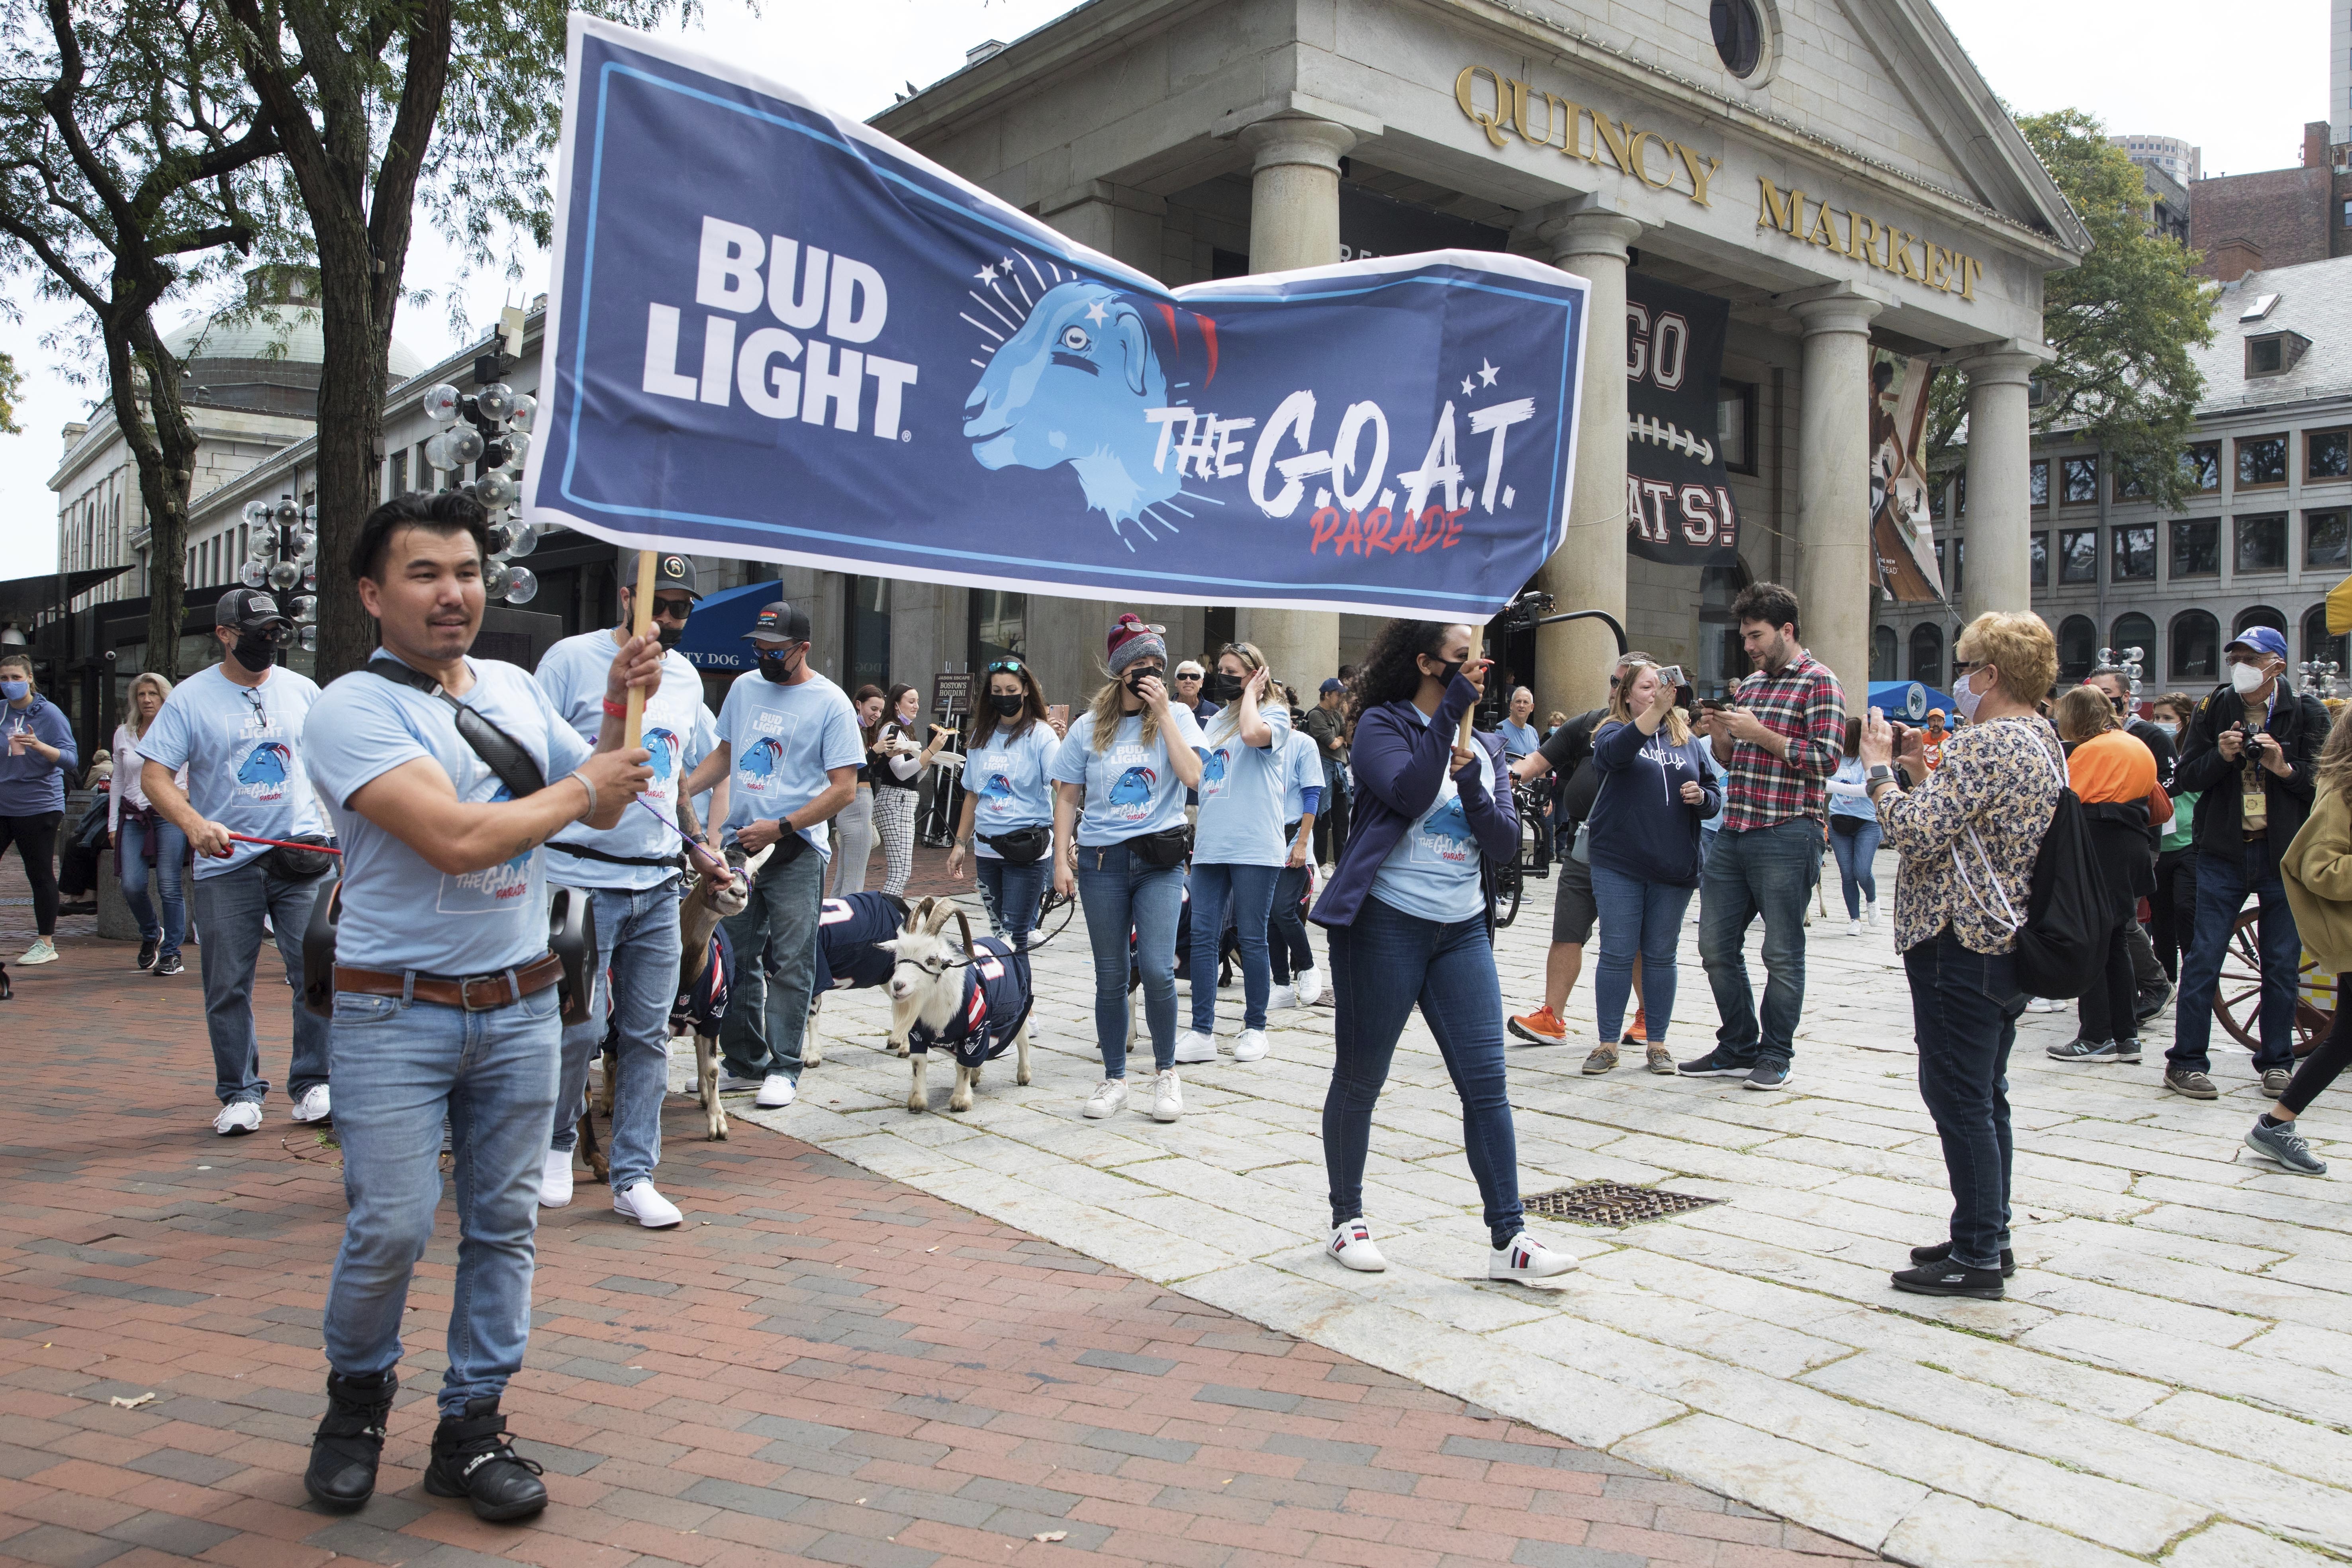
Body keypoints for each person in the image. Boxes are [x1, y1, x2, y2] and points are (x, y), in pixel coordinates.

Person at [296, 490, 658, 1521]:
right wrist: (587, 787)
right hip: (391, 1013)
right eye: (424, 574)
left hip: (520, 1008)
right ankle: (355, 1404)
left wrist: (616, 718)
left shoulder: (506, 683)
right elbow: (456, 837)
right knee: (393, 1227)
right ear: (373, 593)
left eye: (465, 571)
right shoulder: (352, 711)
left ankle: (471, 1426)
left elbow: (603, 785)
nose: (452, 593)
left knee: (503, 1227)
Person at [1312, 619, 1571, 1282]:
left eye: (1478, 659)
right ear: (1426, 664)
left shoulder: (1484, 744)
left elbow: (1504, 843)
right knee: (1361, 1074)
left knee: (1488, 1085)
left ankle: (1508, 1239)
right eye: (1463, 661)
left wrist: (1477, 776)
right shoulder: (1380, 726)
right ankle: (1347, 1219)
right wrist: (1450, 715)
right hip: (1386, 924)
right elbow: (1408, 793)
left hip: (1461, 931)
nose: (1479, 669)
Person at [1864, 611, 2064, 1300]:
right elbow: (1963, 825)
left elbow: (1917, 834)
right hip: (2004, 938)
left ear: (1991, 674)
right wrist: (1924, 775)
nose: (1959, 680)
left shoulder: (1990, 743)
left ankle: (1978, 1254)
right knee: (1985, 1095)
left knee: (1958, 1099)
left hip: (1960, 938)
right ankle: (1988, 1230)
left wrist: (1882, 775)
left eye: (1967, 665)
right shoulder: (2041, 736)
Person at [535, 550, 718, 1227]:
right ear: (627, 598)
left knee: (647, 1034)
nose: (669, 620)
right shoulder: (569, 661)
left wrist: (700, 849)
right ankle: (556, 1141)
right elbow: (531, 756)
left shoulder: (689, 679)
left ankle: (636, 1174)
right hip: (578, 875)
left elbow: (677, 781)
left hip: (657, 882)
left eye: (681, 610)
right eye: (659, 605)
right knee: (578, 1024)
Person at [141, 592, 332, 1133]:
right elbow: (155, 776)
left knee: (316, 975)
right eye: (257, 630)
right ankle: (240, 1092)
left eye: (275, 629)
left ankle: (314, 1083)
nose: (269, 639)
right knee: (227, 984)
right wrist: (194, 825)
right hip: (228, 863)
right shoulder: (191, 698)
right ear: (225, 633)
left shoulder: (303, 691)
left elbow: (333, 761)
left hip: (302, 857)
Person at [682, 603, 862, 1112]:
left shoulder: (830, 702)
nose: (763, 656)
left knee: (790, 959)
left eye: (775, 650)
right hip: (742, 842)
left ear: (802, 648)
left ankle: (785, 1066)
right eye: (758, 647)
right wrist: (678, 791)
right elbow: (725, 753)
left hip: (796, 847)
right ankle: (745, 1061)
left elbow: (844, 789)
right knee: (735, 956)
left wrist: (782, 826)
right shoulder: (743, 689)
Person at [1685, 582, 1844, 1091]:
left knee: (1780, 951)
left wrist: (1761, 735)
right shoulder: (1750, 686)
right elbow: (1734, 759)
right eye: (1745, 636)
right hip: (1735, 829)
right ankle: (1737, 1044)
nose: (1749, 646)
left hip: (1788, 831)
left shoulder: (1821, 683)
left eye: (1756, 636)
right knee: (1714, 945)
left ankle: (1776, 1053)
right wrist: (1721, 734)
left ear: (1787, 630)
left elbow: (1826, 760)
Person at [1050, 614, 1205, 1122]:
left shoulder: (1178, 717)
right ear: (1120, 671)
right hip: (1101, 862)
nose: (1152, 674)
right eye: (1141, 665)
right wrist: (1059, 859)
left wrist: (1165, 714)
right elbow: (1068, 796)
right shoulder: (1088, 726)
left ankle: (1166, 1074)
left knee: (1159, 969)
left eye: (1157, 666)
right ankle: (1114, 1077)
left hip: (1158, 861)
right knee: (1111, 974)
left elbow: (1193, 777)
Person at [2166, 626, 2328, 1101]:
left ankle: (2277, 1062)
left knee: (2281, 963)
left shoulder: (2307, 712)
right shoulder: (2214, 708)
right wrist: (2220, 755)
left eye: (2250, 657)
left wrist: (2284, 768)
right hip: (2222, 851)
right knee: (2203, 957)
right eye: (2235, 656)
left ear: (2276, 664)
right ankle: (2186, 1061)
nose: (2239, 665)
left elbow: (2325, 786)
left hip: (2283, 854)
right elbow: (2185, 777)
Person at [1581, 659, 1719, 1076]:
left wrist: (1703, 797)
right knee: (1618, 951)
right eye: (1645, 687)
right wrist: (1654, 712)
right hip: (1619, 862)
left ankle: (1656, 1042)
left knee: (1661, 955)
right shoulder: (1610, 729)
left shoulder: (1688, 739)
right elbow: (1612, 757)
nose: (1655, 692)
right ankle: (1607, 1043)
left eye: (1661, 687)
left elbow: (1713, 792)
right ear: (1626, 694)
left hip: (1673, 864)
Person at [1506, 654, 1643, 1046]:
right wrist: (1505, 778)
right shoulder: (1590, 723)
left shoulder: (1663, 732)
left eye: (1625, 683)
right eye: (1614, 681)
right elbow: (1538, 758)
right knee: (1566, 930)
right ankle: (1551, 1016)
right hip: (1586, 846)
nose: (1616, 689)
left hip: (1635, 852)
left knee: (1634, 938)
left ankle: (1648, 1015)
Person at [1178, 643, 1293, 1067]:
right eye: (1220, 670)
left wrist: (1252, 696)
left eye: (1233, 671)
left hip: (1254, 845)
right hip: (1211, 844)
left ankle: (1255, 1027)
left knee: (1252, 936)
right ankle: (1201, 1030)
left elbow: (1251, 735)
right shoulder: (1212, 722)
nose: (1223, 676)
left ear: (1256, 675)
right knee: (1203, 938)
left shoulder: (1274, 714)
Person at [2043, 687, 2168, 1068]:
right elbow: (2159, 804)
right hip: (2132, 844)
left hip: (2099, 846)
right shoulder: (2134, 744)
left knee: (2092, 942)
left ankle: (2095, 1035)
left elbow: (2063, 802)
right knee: (2115, 941)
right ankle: (2126, 1035)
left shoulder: (2090, 750)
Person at [2262, 714, 2352, 1176]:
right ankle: (2276, 1125)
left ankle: (2276, 1125)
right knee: (2344, 1039)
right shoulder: (2339, 791)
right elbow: (2319, 868)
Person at [948, 656, 1059, 948]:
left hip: (1027, 850)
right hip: (986, 852)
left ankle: (1019, 995)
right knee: (1001, 937)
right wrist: (960, 843)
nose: (1004, 697)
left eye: (1011, 690)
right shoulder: (980, 736)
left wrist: (1066, 843)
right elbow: (972, 794)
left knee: (1015, 937)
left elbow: (1063, 789)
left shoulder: (1042, 735)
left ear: (1025, 690)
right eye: (997, 692)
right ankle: (1010, 992)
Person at [2086, 664, 2176, 1019]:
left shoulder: (2150, 736)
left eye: (2106, 698)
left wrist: (2130, 796)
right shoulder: (2091, 739)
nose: (2100, 705)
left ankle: (2155, 983)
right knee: (2108, 917)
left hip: (2138, 837)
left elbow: (2173, 783)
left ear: (2125, 698)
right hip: (2099, 839)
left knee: (2122, 918)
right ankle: (2116, 989)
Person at [0, 652, 77, 967]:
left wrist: (40, 746)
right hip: (4, 804)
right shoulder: (2, 712)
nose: (10, 684)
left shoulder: (49, 714)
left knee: (40, 873)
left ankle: (46, 942)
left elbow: (72, 760)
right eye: (4, 678)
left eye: (17, 677)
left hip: (39, 806)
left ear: (31, 678)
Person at [110, 672, 188, 973]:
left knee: (169, 884)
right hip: (133, 814)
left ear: (164, 697)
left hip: (170, 814)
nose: (146, 700)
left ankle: (172, 953)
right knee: (131, 884)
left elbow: (199, 766)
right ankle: (151, 933)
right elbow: (118, 779)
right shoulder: (124, 733)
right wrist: (112, 825)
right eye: (141, 695)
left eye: (153, 694)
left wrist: (188, 790)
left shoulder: (178, 729)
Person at [873, 683, 950, 896]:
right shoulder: (892, 729)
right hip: (895, 801)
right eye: (911, 701)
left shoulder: (905, 730)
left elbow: (914, 776)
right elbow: (900, 773)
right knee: (900, 872)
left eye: (917, 701)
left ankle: (888, 917)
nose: (917, 706)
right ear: (897, 704)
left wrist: (926, 761)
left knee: (902, 871)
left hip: (903, 801)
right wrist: (931, 750)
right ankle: (887, 917)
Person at [1268, 718, 1323, 1006]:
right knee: (1267, 915)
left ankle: (1308, 966)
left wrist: (1301, 843)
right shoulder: (1254, 741)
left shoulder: (1303, 743)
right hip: (1262, 835)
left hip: (1293, 836)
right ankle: (1281, 984)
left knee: (1282, 908)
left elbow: (1312, 793)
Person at [2148, 692, 2200, 987]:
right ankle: (2165, 982)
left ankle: (2195, 976)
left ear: (2185, 720)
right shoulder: (2151, 751)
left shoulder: (2193, 751)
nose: (2160, 724)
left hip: (2187, 843)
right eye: (2156, 717)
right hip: (2160, 844)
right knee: (2160, 918)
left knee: (2186, 908)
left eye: (2167, 718)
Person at [1825, 719, 1883, 936]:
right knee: (1847, 874)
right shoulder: (1836, 759)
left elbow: (1866, 789)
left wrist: (1830, 785)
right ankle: (1854, 919)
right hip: (1839, 823)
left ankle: (1872, 899)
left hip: (1867, 823)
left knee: (1862, 870)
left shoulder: (1867, 761)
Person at [831, 685, 884, 897]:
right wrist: (875, 752)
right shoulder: (849, 728)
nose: (877, 715)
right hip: (856, 805)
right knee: (854, 881)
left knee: (845, 876)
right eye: (873, 709)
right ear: (858, 705)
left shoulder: (855, 730)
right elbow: (853, 771)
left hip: (853, 805)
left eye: (880, 711)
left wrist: (883, 755)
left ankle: (829, 922)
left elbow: (867, 771)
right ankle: (846, 924)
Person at [1303, 677, 1351, 867]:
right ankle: (1321, 863)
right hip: (1324, 769)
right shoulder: (1316, 715)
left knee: (1342, 818)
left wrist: (1343, 730)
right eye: (1339, 695)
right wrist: (1340, 738)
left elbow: (1347, 738)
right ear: (1327, 695)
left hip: (1339, 770)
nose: (1341, 699)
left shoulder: (1338, 714)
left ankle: (1341, 864)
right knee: (1323, 817)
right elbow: (1333, 743)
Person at [1496, 687, 1539, 760]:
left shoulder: (1533, 732)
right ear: (1511, 706)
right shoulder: (1500, 730)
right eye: (1518, 702)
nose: (1522, 706)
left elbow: (1539, 764)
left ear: (1532, 707)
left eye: (1526, 702)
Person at [1173, 660, 1220, 726]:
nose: (1188, 681)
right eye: (1183, 676)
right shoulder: (1165, 709)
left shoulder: (1214, 711)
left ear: (1201, 683)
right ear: (1176, 682)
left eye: (1194, 677)